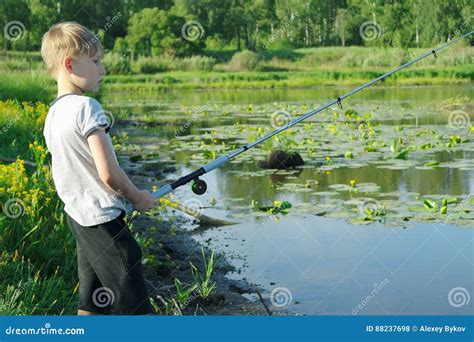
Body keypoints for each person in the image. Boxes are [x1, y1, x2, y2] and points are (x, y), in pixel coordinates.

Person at [41, 22, 154, 315]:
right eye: (95, 62)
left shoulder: (53, 114)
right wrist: (137, 197)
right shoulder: (87, 107)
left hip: (78, 217)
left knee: (93, 300)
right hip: (102, 218)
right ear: (69, 64)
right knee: (134, 303)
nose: (103, 69)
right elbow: (108, 173)